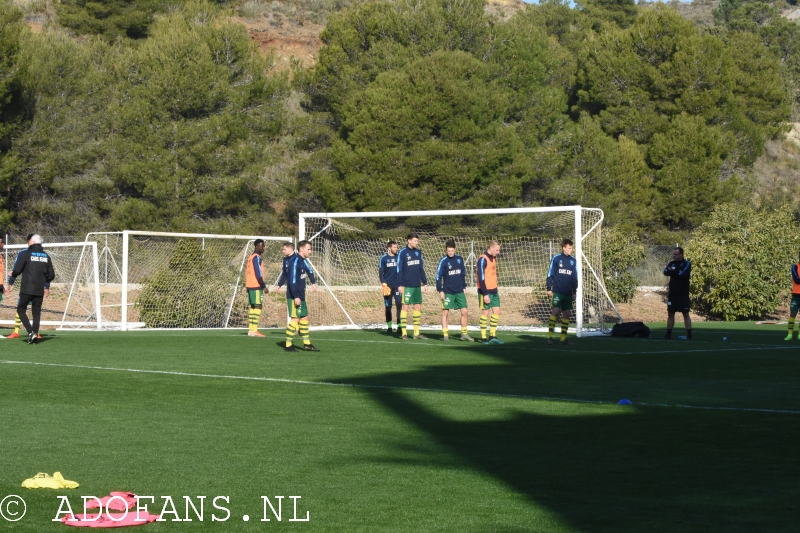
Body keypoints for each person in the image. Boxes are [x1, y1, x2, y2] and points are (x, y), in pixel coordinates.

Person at [5, 234, 55, 344]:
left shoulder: (25, 253)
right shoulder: (46, 256)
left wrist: (12, 274)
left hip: (27, 288)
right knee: (36, 312)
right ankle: (35, 334)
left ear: (31, 241)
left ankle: (30, 332)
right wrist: (43, 281)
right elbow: (51, 275)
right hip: (39, 289)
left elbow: (17, 270)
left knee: (21, 309)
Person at [436, 240, 474, 342]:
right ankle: (445, 334)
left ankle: (464, 334)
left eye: (452, 251)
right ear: (446, 250)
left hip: (459, 291)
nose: (450, 253)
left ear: (455, 250)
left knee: (465, 312)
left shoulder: (459, 259)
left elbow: (462, 274)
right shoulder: (443, 261)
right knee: (445, 313)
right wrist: (440, 290)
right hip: (448, 291)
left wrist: (464, 286)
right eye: (448, 251)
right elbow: (438, 277)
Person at [285, 240, 318, 352]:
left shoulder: (302, 261)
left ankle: (307, 344)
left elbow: (309, 271)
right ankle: (288, 344)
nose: (310, 251)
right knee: (295, 319)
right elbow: (292, 280)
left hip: (301, 295)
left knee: (304, 318)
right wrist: (296, 296)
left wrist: (313, 282)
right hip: (294, 295)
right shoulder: (294, 261)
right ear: (301, 249)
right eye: (308, 249)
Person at [546, 238, 578, 345]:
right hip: (557, 291)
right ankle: (549, 337)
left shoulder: (573, 261)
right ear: (563, 248)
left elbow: (575, 278)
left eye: (572, 248)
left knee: (567, 313)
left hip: (568, 292)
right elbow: (550, 274)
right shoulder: (556, 258)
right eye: (569, 248)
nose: (571, 250)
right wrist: (549, 288)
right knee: (555, 311)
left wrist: (574, 292)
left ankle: (563, 338)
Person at [397, 232, 428, 340]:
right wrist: (400, 284)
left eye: (417, 241)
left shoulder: (418, 252)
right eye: (415, 240)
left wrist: (425, 282)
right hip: (406, 285)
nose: (417, 242)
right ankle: (404, 333)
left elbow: (421, 268)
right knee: (405, 307)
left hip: (417, 285)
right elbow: (399, 269)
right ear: (409, 240)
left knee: (417, 307)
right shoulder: (402, 252)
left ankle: (416, 333)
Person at [477, 240, 504, 345]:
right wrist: (485, 294)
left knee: (497, 312)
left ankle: (493, 335)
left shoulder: (493, 257)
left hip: (494, 290)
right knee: (485, 313)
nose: (498, 252)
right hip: (485, 291)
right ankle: (483, 338)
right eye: (497, 250)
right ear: (491, 248)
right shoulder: (482, 259)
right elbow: (481, 277)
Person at [663, 246, 692, 340]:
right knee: (670, 313)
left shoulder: (687, 263)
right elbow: (666, 271)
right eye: (673, 254)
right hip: (672, 293)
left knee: (685, 314)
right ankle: (668, 334)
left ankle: (689, 334)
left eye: (676, 254)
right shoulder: (671, 263)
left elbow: (682, 274)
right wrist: (675, 271)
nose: (674, 256)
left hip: (683, 293)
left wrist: (674, 271)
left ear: (681, 254)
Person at [245, 239, 269, 337]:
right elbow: (258, 273)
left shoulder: (251, 256)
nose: (263, 248)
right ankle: (254, 330)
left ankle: (251, 329)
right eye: (262, 246)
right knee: (258, 306)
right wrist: (263, 286)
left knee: (253, 307)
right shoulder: (257, 257)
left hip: (250, 285)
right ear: (256, 246)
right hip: (256, 285)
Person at [379, 241, 402, 333]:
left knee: (399, 304)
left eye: (397, 247)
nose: (396, 249)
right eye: (394, 247)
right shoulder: (383, 258)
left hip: (397, 285)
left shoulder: (399, 257)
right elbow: (381, 273)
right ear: (389, 248)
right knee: (388, 306)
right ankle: (389, 327)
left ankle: (399, 326)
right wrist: (383, 284)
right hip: (387, 286)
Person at [785, 252, 800, 341]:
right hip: (796, 295)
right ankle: (789, 334)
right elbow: (797, 280)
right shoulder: (795, 267)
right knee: (793, 313)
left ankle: (799, 335)